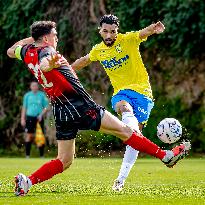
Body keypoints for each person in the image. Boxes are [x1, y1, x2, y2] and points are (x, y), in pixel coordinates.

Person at [7, 21, 190, 197]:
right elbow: (46, 63)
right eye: (55, 35)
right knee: (125, 131)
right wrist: (50, 64)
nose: (57, 39)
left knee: (65, 160)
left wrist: (32, 40)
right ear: (46, 38)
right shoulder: (47, 51)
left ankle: (28, 182)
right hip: (79, 105)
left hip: (60, 110)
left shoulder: (26, 51)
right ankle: (164, 155)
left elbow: (10, 51)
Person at [71, 14, 169, 191]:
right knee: (122, 106)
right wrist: (65, 71)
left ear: (118, 31)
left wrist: (153, 29)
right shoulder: (98, 50)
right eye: (105, 31)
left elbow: (142, 33)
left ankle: (121, 179)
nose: (109, 36)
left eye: (113, 32)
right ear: (100, 30)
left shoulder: (127, 40)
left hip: (143, 93)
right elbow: (84, 61)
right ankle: (129, 130)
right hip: (121, 93)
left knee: (134, 140)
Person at [21, 81, 49, 158]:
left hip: (39, 118)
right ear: (30, 87)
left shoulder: (42, 95)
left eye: (36, 86)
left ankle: (41, 155)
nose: (34, 87)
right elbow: (24, 107)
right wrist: (22, 118)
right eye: (33, 86)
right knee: (29, 135)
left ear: (38, 86)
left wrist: (41, 115)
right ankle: (27, 155)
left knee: (40, 135)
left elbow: (46, 107)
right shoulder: (27, 95)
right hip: (30, 117)